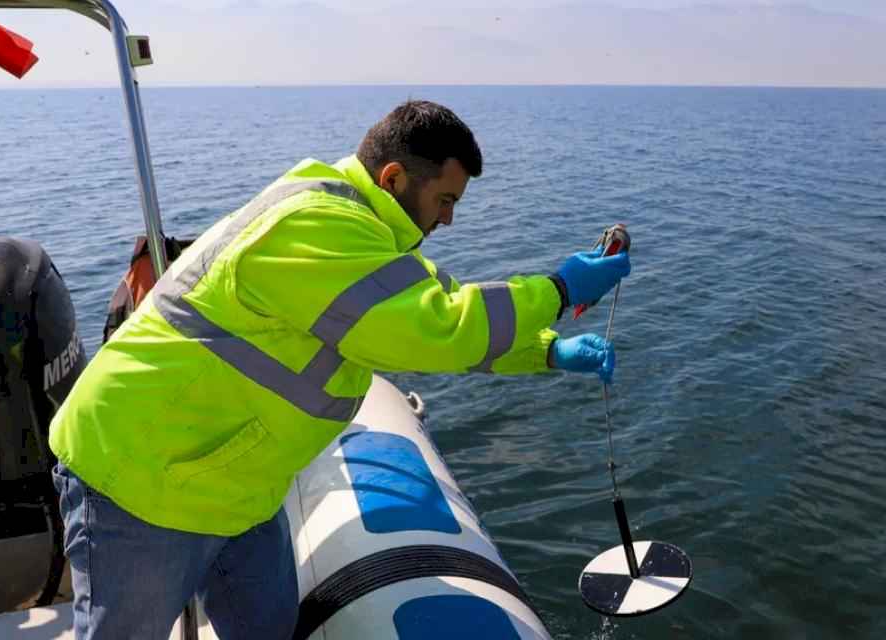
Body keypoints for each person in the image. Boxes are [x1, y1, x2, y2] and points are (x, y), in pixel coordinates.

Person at [47, 100, 630, 639]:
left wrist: (548, 349)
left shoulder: (365, 232)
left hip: (235, 482)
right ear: (394, 179)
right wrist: (556, 290)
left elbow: (434, 306)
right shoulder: (315, 226)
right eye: (446, 201)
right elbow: (436, 330)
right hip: (142, 476)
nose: (449, 220)